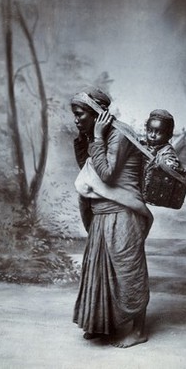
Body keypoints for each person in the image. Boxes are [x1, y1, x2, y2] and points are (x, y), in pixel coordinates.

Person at [70, 88, 153, 348]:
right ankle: (100, 324)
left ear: (96, 113)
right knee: (98, 270)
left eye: (80, 113)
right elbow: (87, 169)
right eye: (74, 114)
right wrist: (87, 138)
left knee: (129, 272)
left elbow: (106, 175)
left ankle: (139, 331)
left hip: (123, 213)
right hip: (102, 213)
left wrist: (96, 136)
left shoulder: (119, 134)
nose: (75, 119)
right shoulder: (98, 134)